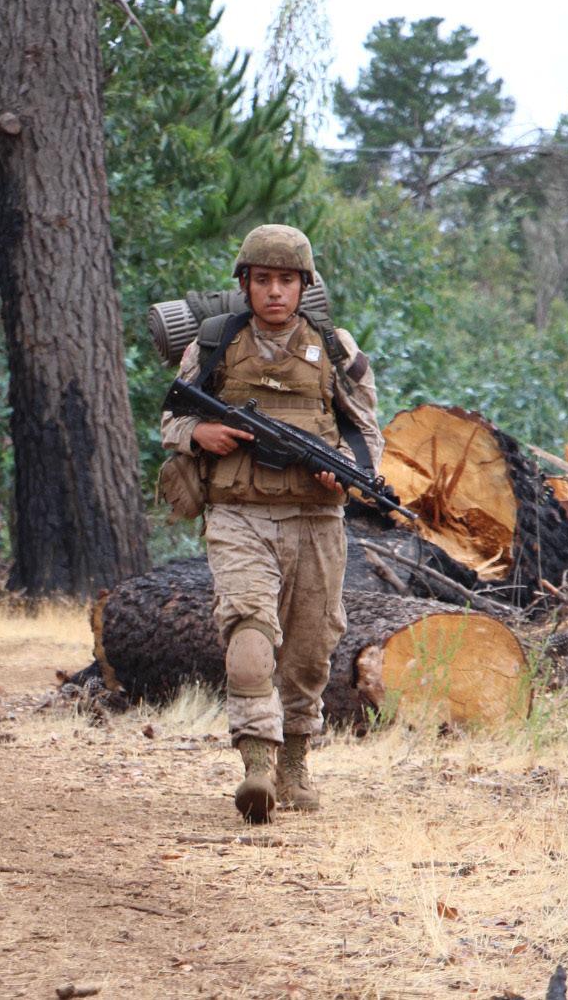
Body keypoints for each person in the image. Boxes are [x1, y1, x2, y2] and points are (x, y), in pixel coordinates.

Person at [159, 225, 384, 823]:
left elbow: (366, 431)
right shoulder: (215, 342)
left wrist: (349, 473)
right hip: (239, 516)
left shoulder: (335, 347)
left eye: (286, 280)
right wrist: (199, 433)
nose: (275, 292)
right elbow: (171, 418)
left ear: (304, 286)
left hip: (317, 519)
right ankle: (257, 763)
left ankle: (295, 765)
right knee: (249, 634)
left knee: (310, 651)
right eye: (263, 280)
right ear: (245, 284)